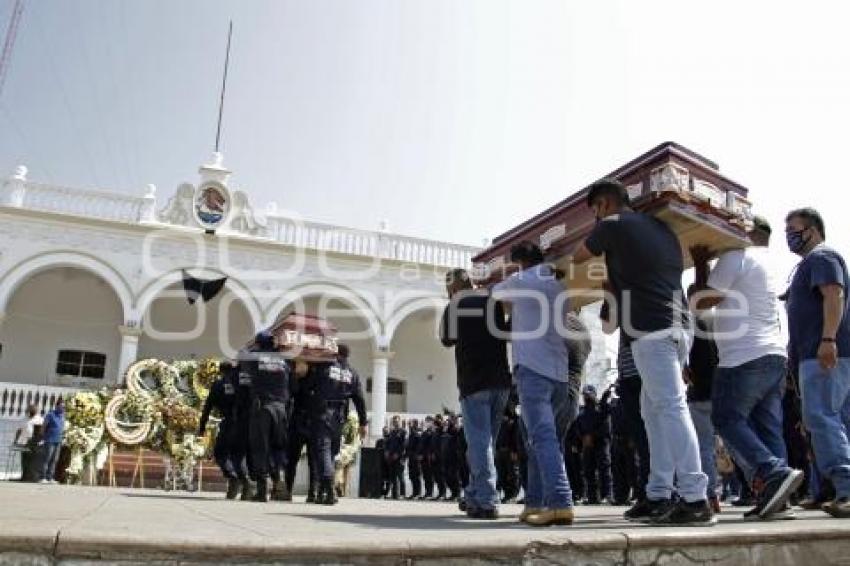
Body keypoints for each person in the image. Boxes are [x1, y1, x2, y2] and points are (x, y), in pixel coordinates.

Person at [573, 179, 713, 526]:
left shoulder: (613, 224)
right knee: (654, 414)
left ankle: (696, 497)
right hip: (678, 327)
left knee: (669, 407)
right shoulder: (662, 229)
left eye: (595, 211)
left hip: (652, 330)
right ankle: (658, 494)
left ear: (604, 205)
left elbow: (577, 256)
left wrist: (599, 229)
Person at [692, 215, 804, 520]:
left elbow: (701, 301)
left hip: (744, 357)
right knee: (768, 428)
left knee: (726, 417)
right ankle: (778, 500)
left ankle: (773, 471)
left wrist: (700, 263)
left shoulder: (735, 256)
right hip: (774, 355)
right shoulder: (770, 263)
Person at [493, 240, 573, 526]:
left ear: (519, 262)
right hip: (560, 375)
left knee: (541, 439)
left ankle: (560, 502)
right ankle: (534, 502)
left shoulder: (521, 280)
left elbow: (494, 293)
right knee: (539, 440)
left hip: (533, 371)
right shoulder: (559, 288)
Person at [785, 207, 850, 518]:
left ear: (813, 229)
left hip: (824, 354)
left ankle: (847, 488)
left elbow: (834, 295)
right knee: (830, 422)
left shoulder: (822, 258)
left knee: (822, 418)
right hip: (814, 354)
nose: (790, 236)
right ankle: (825, 487)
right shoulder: (806, 266)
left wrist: (828, 339)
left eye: (794, 229)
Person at [440, 267, 512, 519]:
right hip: (501, 381)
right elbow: (505, 333)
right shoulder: (491, 301)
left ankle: (487, 499)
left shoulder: (455, 305)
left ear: (452, 288)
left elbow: (446, 339)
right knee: (486, 443)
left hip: (474, 382)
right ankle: (473, 493)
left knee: (479, 443)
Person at [310, 343, 368, 505]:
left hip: (324, 413)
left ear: (335, 353)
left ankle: (328, 487)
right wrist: (363, 423)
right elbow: (360, 400)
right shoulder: (353, 374)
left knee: (323, 449)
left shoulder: (325, 367)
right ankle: (325, 489)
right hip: (340, 416)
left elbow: (310, 384)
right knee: (332, 451)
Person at [244, 331, 292, 502]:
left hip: (263, 408)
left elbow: (242, 358)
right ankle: (279, 481)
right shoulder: (284, 360)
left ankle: (262, 490)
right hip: (281, 409)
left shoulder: (254, 356)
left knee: (260, 448)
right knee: (278, 446)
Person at [683, 312, 721, 513]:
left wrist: (685, 368)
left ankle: (711, 495)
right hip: (724, 389)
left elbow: (682, 360)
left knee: (704, 447)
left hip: (701, 393)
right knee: (735, 442)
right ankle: (761, 484)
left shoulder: (691, 323)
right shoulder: (721, 320)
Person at [198, 360, 246, 499]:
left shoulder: (218, 385)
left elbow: (207, 408)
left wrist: (202, 428)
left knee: (220, 453)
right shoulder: (241, 383)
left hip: (229, 422)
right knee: (239, 455)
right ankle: (246, 483)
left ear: (220, 371)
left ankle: (232, 476)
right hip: (244, 423)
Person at [285, 360, 319, 502]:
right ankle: (288, 490)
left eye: (299, 364)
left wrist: (294, 376)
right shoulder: (297, 378)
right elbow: (291, 393)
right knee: (292, 459)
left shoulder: (316, 379)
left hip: (312, 423)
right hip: (298, 422)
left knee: (313, 460)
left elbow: (295, 391)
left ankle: (313, 492)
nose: (297, 367)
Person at [576, 385, 613, 505]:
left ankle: (607, 495)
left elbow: (605, 424)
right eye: (584, 394)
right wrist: (584, 437)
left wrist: (592, 435)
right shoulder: (582, 411)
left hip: (601, 442)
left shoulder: (601, 408)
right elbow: (578, 426)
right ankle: (592, 497)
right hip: (587, 444)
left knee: (604, 469)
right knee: (588, 470)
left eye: (588, 394)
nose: (586, 396)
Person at [14, 404, 43, 482]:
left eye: (32, 412)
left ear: (35, 412)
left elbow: (42, 432)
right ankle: (24, 476)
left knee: (32, 460)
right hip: (24, 442)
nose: (29, 413)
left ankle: (32, 477)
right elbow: (19, 430)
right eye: (29, 411)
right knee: (24, 460)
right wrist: (15, 440)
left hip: (35, 443)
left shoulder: (39, 419)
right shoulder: (24, 419)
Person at [40, 398, 65, 484]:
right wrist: (43, 437)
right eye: (61, 407)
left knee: (55, 459)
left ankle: (50, 477)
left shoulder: (62, 416)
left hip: (58, 441)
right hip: (50, 440)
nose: (63, 409)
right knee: (47, 458)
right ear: (57, 406)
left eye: (64, 407)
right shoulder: (50, 415)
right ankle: (43, 477)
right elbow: (43, 426)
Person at [386, 415, 407, 499]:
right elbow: (388, 443)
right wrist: (387, 451)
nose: (395, 422)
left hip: (399, 457)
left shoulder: (403, 432)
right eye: (394, 421)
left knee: (400, 476)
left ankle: (402, 494)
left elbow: (404, 445)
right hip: (391, 457)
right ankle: (394, 494)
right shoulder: (392, 432)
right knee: (393, 476)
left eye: (396, 421)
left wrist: (398, 454)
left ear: (400, 421)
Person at [406, 419, 423, 500]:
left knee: (417, 476)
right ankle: (414, 492)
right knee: (412, 476)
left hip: (416, 458)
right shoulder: (411, 435)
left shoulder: (417, 434)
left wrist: (417, 455)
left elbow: (420, 446)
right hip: (411, 458)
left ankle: (418, 493)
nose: (410, 426)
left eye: (411, 424)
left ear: (415, 425)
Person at [420, 416, 435, 499]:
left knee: (430, 476)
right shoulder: (424, 433)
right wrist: (419, 454)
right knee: (425, 476)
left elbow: (431, 446)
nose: (427, 423)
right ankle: (427, 492)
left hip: (428, 457)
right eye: (427, 421)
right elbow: (421, 445)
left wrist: (428, 454)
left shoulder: (433, 433)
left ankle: (430, 492)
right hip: (423, 458)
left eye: (429, 421)